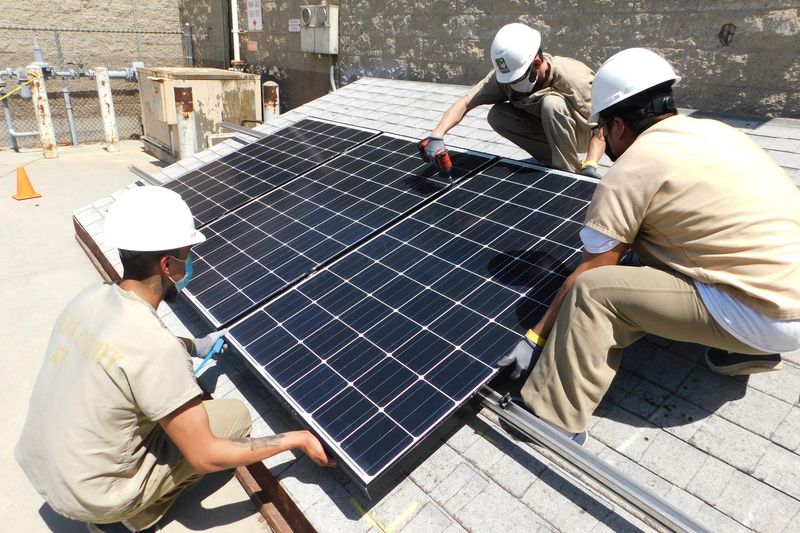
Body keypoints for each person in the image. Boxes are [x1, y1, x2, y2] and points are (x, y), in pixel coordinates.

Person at [498, 48, 800, 442]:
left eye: (603, 130)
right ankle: (746, 350)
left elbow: (593, 270)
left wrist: (536, 337)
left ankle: (551, 415)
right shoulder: (717, 131)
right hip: (787, 288)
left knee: (597, 292)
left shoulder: (631, 168)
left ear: (619, 125)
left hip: (762, 312)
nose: (603, 140)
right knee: (654, 245)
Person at [15, 187, 335, 533]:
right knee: (234, 418)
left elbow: (135, 348)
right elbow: (205, 455)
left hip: (43, 467)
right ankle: (141, 511)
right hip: (92, 498)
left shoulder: (91, 298)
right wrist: (297, 439)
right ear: (168, 265)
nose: (191, 261)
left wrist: (196, 345)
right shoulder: (156, 349)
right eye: (187, 254)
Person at [420, 22, 605, 177]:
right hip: (547, 129)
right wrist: (437, 135)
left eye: (517, 79)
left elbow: (602, 125)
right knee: (497, 115)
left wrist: (591, 163)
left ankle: (569, 173)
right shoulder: (506, 77)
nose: (512, 84)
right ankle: (554, 162)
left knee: (552, 104)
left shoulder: (574, 77)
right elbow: (466, 102)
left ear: (537, 64)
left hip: (581, 133)